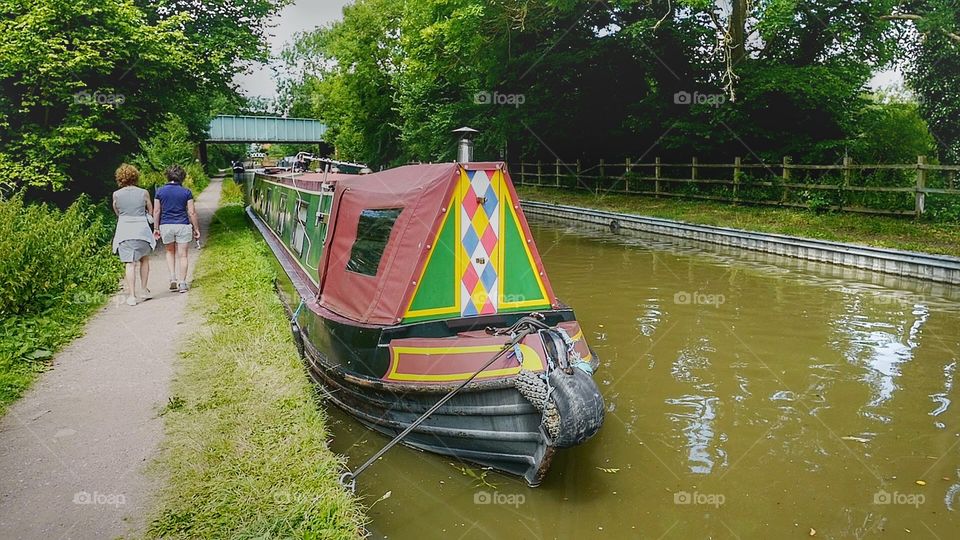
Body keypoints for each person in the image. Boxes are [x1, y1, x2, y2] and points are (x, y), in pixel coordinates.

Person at [111, 164, 155, 306]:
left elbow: (117, 212)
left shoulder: (116, 194)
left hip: (124, 231)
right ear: (135, 176)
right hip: (142, 230)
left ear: (120, 178)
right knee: (144, 260)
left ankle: (132, 296)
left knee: (129, 264)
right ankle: (143, 290)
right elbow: (150, 210)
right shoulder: (144, 192)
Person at [153, 165, 200, 293]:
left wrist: (156, 228)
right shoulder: (186, 192)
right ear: (182, 177)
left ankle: (173, 278)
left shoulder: (160, 191)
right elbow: (192, 213)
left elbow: (156, 210)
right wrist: (196, 228)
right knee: (183, 255)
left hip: (166, 225)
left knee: (169, 252)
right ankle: (183, 283)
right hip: (182, 225)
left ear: (168, 176)